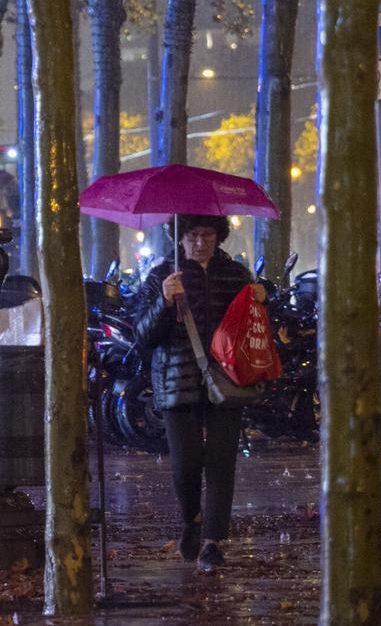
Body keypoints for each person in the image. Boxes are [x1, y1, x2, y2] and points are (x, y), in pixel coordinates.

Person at [133, 214, 265, 573]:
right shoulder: (162, 275)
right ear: (179, 237)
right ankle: (191, 517)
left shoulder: (236, 275)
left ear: (218, 236)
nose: (200, 243)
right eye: (192, 235)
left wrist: (260, 298)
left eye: (207, 235)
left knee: (222, 463)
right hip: (178, 383)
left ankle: (212, 542)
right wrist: (163, 301)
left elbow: (254, 325)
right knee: (185, 463)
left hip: (227, 380)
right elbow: (142, 336)